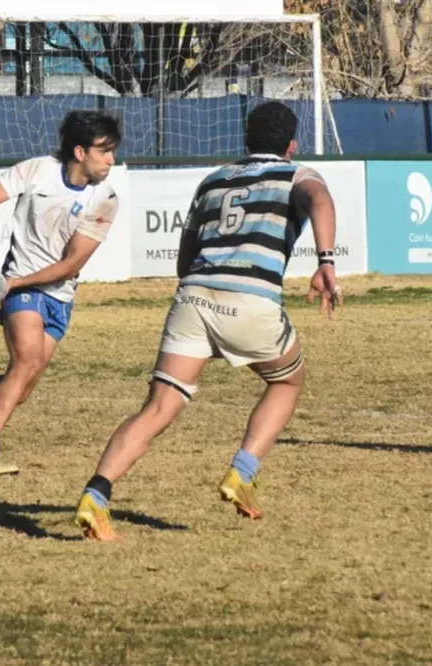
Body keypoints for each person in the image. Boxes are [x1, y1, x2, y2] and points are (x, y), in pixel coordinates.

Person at [72, 101, 344, 540]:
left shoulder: (214, 179)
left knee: (159, 407)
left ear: (247, 140)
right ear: (292, 145)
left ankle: (96, 495)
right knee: (288, 382)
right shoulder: (297, 174)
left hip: (194, 297)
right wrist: (326, 260)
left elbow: (185, 255)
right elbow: (320, 199)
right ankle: (242, 473)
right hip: (251, 301)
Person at [0, 110, 122, 476]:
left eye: (113, 151)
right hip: (20, 286)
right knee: (25, 363)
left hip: (56, 292)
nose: (111, 160)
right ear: (79, 152)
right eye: (104, 151)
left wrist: (16, 284)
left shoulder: (105, 198)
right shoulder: (37, 170)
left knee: (23, 384)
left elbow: (72, 265)